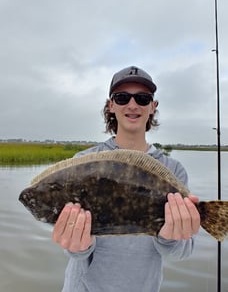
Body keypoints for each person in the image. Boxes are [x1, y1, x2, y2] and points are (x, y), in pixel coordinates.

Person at [52, 65, 201, 292]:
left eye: (142, 98)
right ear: (111, 105)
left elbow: (183, 250)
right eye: (122, 98)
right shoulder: (85, 162)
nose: (132, 105)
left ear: (153, 107)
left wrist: (171, 237)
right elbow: (73, 250)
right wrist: (77, 245)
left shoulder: (173, 169)